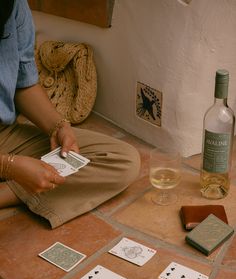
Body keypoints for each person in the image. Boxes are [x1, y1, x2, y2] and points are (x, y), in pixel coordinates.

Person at [0, 0, 140, 228]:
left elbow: (23, 83)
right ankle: (23, 184)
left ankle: (13, 190)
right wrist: (9, 167)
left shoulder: (13, 5)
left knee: (122, 161)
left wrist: (58, 126)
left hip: (4, 135)